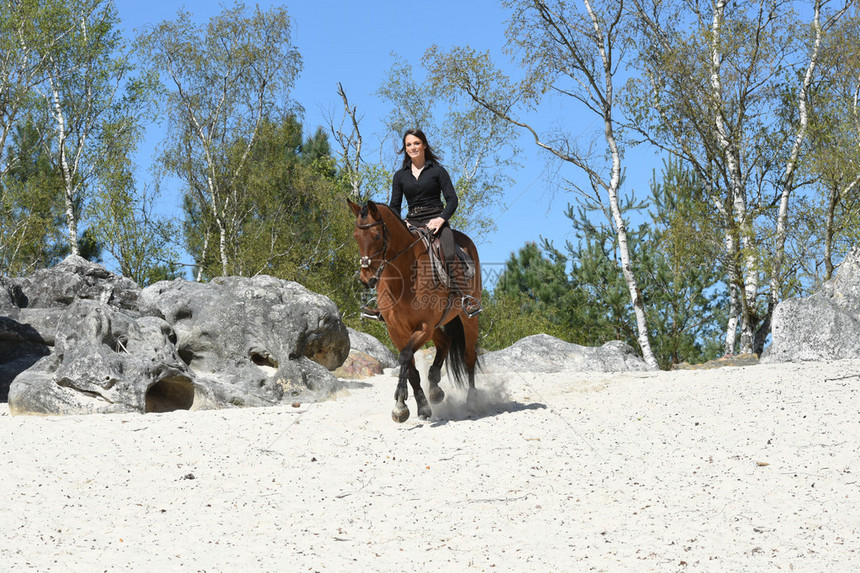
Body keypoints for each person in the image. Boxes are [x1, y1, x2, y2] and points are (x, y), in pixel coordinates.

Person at [362, 128, 481, 320]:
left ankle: (466, 298)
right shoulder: (400, 176)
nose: (413, 147)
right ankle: (381, 305)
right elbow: (394, 207)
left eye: (416, 143)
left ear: (424, 145)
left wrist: (441, 219)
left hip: (436, 222)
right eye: (409, 145)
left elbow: (452, 200)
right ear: (405, 149)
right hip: (412, 223)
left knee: (449, 251)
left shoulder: (438, 171)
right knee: (388, 251)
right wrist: (402, 223)